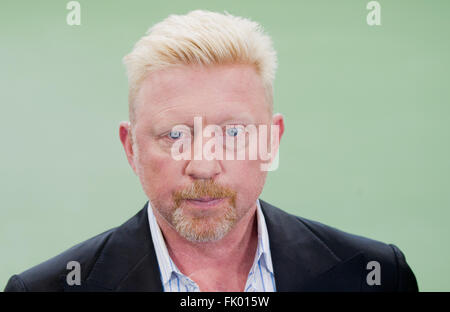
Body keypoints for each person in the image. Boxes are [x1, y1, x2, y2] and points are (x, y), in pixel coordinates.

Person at [4, 10, 418, 292]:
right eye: (175, 135)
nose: (203, 165)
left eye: (233, 133)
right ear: (131, 148)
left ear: (272, 141)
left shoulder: (377, 277)